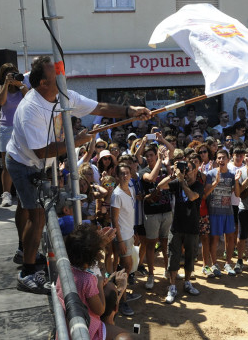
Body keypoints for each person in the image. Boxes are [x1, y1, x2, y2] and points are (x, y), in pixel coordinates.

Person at [6, 56, 151, 294]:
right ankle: (27, 272)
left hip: (36, 162)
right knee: (37, 216)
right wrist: (75, 140)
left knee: (33, 213)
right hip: (23, 163)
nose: (63, 78)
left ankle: (26, 252)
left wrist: (129, 110)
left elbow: (99, 107)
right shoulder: (30, 108)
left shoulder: (64, 96)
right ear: (43, 83)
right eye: (56, 75)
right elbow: (42, 150)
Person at [56, 223, 117, 340]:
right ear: (93, 257)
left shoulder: (65, 269)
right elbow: (100, 310)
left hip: (66, 328)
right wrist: (99, 284)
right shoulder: (88, 280)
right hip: (87, 332)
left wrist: (99, 242)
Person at [157, 160, 203, 304]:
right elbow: (160, 186)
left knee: (190, 257)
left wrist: (182, 181)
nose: (185, 172)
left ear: (195, 171)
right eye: (184, 169)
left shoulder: (198, 185)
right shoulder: (177, 182)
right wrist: (172, 176)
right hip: (176, 226)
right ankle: (172, 286)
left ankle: (187, 282)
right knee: (173, 256)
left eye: (188, 170)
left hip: (192, 227)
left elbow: (192, 196)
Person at [140, 144, 173, 290]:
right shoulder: (144, 171)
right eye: (146, 156)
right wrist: (160, 160)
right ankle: (151, 275)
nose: (149, 158)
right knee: (151, 245)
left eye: (151, 155)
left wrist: (166, 161)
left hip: (166, 212)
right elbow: (152, 178)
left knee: (167, 244)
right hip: (151, 214)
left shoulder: (165, 168)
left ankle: (168, 270)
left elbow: (172, 179)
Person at [0, 63, 29, 207]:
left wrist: (19, 84)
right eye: (8, 74)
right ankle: (6, 194)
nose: (12, 76)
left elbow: (30, 99)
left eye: (14, 73)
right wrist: (6, 84)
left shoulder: (22, 87)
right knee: (7, 164)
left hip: (21, 128)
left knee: (24, 161)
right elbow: (1, 101)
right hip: (6, 128)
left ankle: (23, 192)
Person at [111, 163, 141, 316]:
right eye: (122, 173)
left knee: (126, 268)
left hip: (129, 234)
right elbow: (114, 220)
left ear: (130, 174)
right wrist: (120, 240)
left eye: (127, 173)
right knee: (125, 269)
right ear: (117, 176)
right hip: (122, 237)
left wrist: (133, 231)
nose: (125, 176)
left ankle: (121, 294)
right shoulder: (116, 195)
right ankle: (122, 302)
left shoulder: (132, 189)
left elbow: (129, 215)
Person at [203, 149, 237, 277]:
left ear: (228, 160)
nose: (221, 160)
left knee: (230, 238)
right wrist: (215, 183)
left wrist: (238, 181)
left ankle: (228, 263)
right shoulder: (210, 174)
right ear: (216, 160)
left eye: (224, 158)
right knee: (215, 239)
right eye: (219, 158)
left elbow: (237, 193)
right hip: (214, 212)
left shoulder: (232, 176)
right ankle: (214, 263)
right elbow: (205, 195)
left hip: (228, 211)